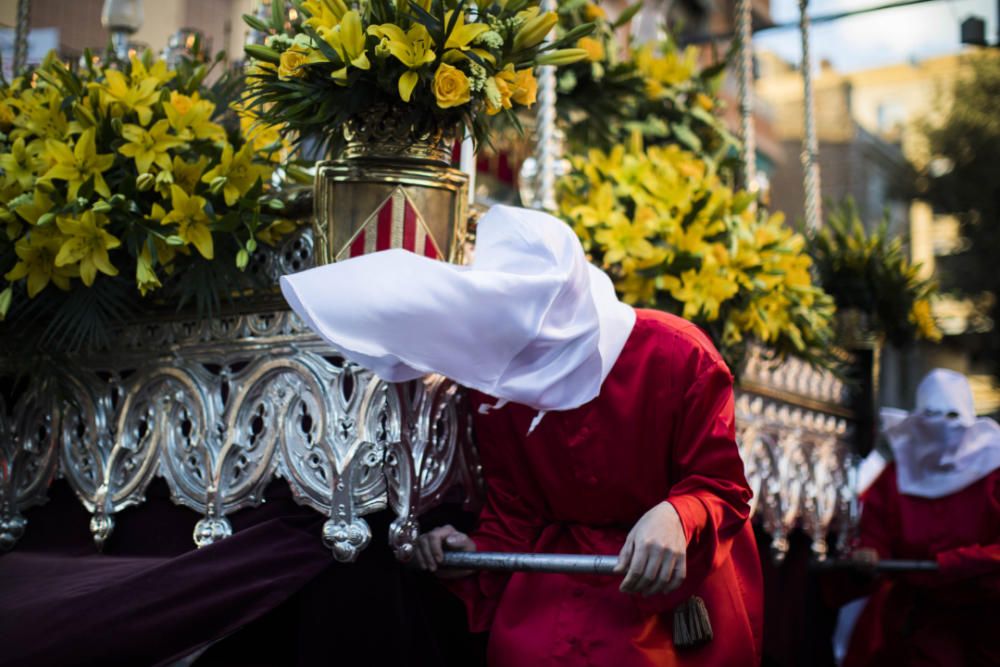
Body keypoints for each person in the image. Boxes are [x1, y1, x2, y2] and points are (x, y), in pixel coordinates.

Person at [280, 205, 764, 666]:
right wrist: (475, 551)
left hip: (671, 584)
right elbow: (516, 507)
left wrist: (677, 515)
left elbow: (721, 486)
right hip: (559, 579)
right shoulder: (502, 376)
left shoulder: (679, 353)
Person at [844, 368, 1000, 667]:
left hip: (986, 624)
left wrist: (956, 563)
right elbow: (873, 533)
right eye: (932, 416)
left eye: (952, 417)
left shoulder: (994, 476)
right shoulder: (894, 478)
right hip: (914, 627)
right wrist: (868, 555)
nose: (942, 426)